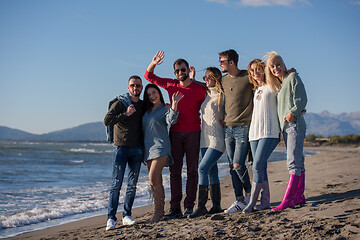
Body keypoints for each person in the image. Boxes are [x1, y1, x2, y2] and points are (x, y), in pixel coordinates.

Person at [144, 51, 206, 219]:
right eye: (177, 71)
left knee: (192, 170)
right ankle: (175, 208)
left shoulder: (200, 89)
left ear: (188, 69)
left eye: (183, 69)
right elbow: (148, 76)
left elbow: (214, 91)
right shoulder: (171, 85)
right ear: (174, 73)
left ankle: (189, 206)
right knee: (175, 172)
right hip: (175, 134)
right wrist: (154, 62)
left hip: (193, 132)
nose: (180, 73)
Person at [264, 51, 308, 211]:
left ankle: (288, 200)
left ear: (283, 64)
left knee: (293, 163)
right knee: (299, 163)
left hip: (294, 125)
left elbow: (302, 99)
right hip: (287, 127)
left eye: (278, 64)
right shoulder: (282, 84)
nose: (276, 68)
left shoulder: (293, 78)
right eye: (272, 66)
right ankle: (299, 197)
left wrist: (293, 113)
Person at [103, 76, 145, 230]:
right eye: (133, 85)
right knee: (116, 184)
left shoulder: (142, 105)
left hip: (137, 149)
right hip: (121, 148)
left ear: (141, 87)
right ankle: (111, 218)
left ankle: (127, 215)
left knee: (132, 185)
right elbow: (107, 120)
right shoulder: (120, 103)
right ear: (128, 87)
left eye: (138, 86)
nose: (135, 88)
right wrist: (125, 114)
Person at [242, 59, 280, 213]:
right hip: (254, 133)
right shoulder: (255, 89)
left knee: (257, 165)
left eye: (258, 69)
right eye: (252, 70)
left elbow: (286, 96)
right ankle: (265, 201)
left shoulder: (274, 86)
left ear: (264, 70)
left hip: (270, 132)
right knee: (260, 166)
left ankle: (251, 203)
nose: (255, 73)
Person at [218, 49, 254, 213]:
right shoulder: (222, 81)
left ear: (231, 62)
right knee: (231, 166)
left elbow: (268, 80)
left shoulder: (248, 76)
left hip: (243, 127)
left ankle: (249, 193)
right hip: (227, 128)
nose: (220, 64)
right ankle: (239, 200)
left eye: (222, 61)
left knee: (238, 164)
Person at [142, 84, 184, 222]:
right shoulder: (147, 111)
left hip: (161, 148)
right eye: (149, 94)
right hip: (148, 150)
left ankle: (158, 212)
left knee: (153, 178)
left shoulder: (165, 109)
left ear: (159, 93)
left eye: (154, 92)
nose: (152, 96)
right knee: (155, 181)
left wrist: (174, 104)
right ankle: (159, 212)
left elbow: (172, 120)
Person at [189, 67, 225, 218]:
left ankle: (201, 206)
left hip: (217, 140)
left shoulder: (222, 96)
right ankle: (216, 205)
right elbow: (196, 85)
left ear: (216, 78)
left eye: (208, 77)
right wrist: (192, 77)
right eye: (204, 78)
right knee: (212, 171)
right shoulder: (206, 94)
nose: (206, 80)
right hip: (204, 140)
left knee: (202, 169)